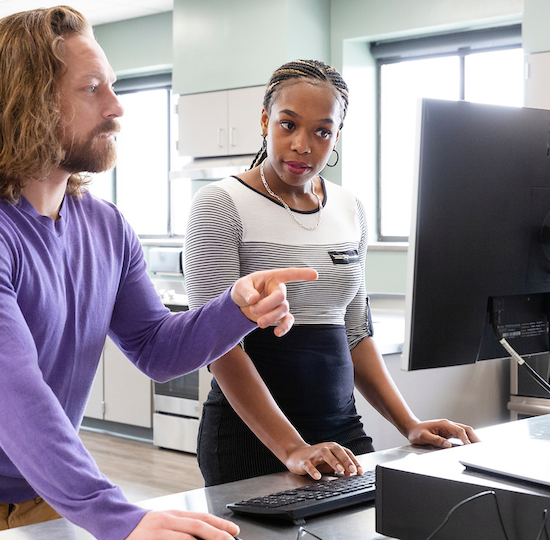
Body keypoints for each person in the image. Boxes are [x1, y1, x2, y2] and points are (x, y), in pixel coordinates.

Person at [0, 7, 316, 540]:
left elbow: (156, 349)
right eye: (92, 88)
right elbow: (15, 396)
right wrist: (119, 518)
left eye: (113, 86)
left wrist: (234, 308)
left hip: (41, 492)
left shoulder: (104, 224)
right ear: (24, 102)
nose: (116, 107)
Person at [183, 59, 481, 487]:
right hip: (252, 440)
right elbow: (218, 346)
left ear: (337, 134)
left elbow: (356, 332)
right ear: (265, 120)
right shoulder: (220, 205)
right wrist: (292, 448)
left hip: (341, 434)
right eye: (288, 125)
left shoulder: (350, 208)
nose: (303, 145)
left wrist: (409, 424)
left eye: (322, 131)